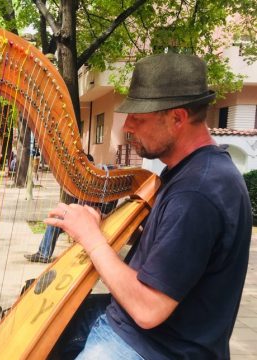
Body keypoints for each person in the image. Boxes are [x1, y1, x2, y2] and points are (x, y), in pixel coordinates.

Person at [46, 53, 251, 359]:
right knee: (38, 309)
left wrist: (92, 238)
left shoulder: (196, 192)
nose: (128, 126)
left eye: (138, 117)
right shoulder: (192, 171)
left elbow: (147, 309)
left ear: (177, 118)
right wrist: (101, 226)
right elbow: (170, 246)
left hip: (157, 346)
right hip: (141, 330)